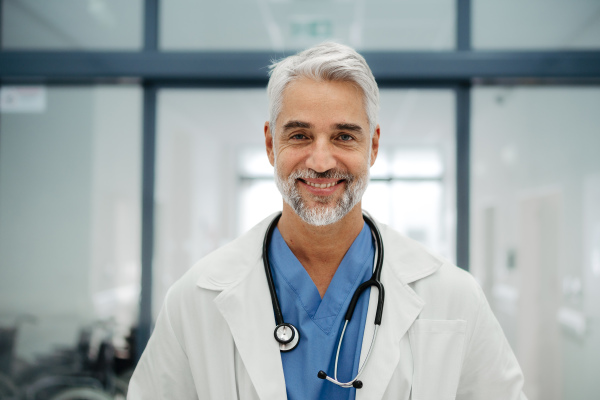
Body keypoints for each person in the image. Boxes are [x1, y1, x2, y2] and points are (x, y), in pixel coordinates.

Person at [128, 42, 527, 400]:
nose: (320, 162)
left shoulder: (454, 297)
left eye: (344, 137)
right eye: (300, 136)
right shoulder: (194, 301)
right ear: (270, 144)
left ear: (372, 147)